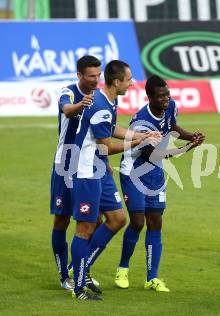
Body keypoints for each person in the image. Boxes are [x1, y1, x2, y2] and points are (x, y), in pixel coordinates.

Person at [70, 60, 161, 300]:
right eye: (129, 80)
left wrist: (139, 134)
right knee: (85, 227)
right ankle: (79, 286)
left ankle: (81, 267)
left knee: (118, 218)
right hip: (87, 170)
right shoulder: (100, 105)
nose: (132, 84)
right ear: (117, 81)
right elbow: (107, 147)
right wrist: (138, 142)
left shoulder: (110, 100)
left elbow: (111, 129)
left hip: (100, 168)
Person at [114, 75, 205, 292]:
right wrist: (186, 149)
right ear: (150, 97)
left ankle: (151, 278)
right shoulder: (141, 122)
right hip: (134, 172)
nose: (167, 99)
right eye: (161, 96)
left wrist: (190, 136)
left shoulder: (170, 106)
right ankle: (123, 268)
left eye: (168, 94)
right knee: (137, 222)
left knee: (155, 221)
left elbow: (172, 126)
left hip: (155, 173)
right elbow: (153, 154)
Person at [50, 55, 101, 290]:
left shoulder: (99, 96)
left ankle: (80, 269)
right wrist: (83, 103)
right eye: (92, 76)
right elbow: (66, 109)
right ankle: (64, 277)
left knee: (96, 219)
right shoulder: (69, 92)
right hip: (65, 165)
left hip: (89, 165)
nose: (96, 80)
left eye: (98, 75)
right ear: (80, 75)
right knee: (61, 220)